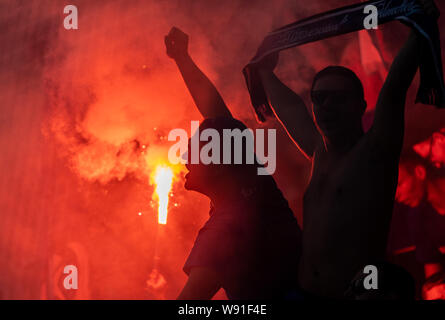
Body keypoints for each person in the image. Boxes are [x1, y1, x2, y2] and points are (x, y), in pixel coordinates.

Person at [254, 0, 440, 298]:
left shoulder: (374, 153)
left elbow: (394, 88)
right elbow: (290, 108)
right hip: (304, 293)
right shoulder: (318, 152)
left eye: (338, 98)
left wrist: (419, 31)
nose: (327, 106)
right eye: (320, 98)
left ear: (360, 106)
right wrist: (263, 69)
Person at [164, 27, 302, 300]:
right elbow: (217, 113)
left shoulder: (225, 230)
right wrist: (182, 58)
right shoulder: (253, 185)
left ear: (217, 164)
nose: (183, 158)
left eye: (192, 151)